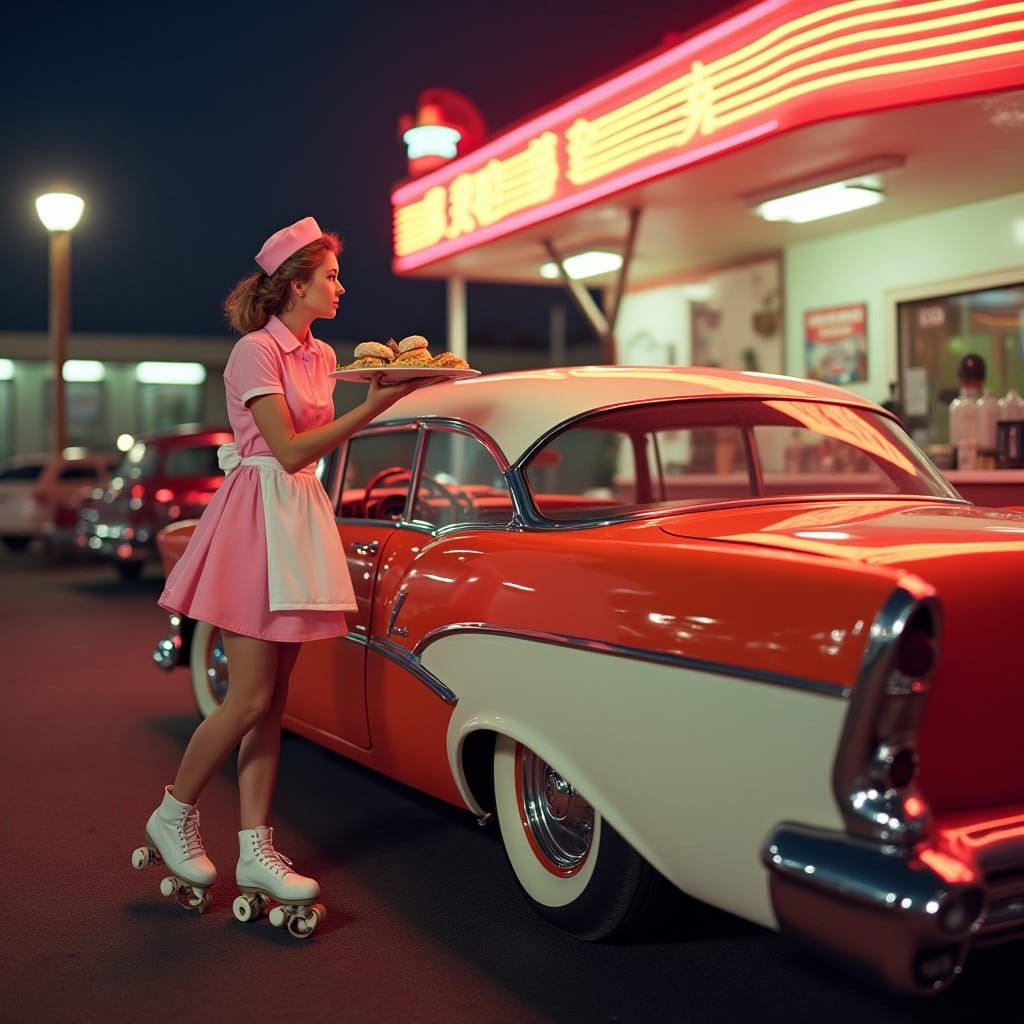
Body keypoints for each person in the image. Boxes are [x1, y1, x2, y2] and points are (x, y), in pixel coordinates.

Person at [136, 216, 422, 923]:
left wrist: (373, 394)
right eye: (329, 276)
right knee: (247, 698)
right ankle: (172, 815)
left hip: (297, 517)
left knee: (273, 704)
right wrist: (376, 407)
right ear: (295, 285)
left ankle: (255, 850)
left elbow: (309, 459)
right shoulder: (252, 353)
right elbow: (289, 451)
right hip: (255, 516)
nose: (340, 286)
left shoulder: (322, 355)